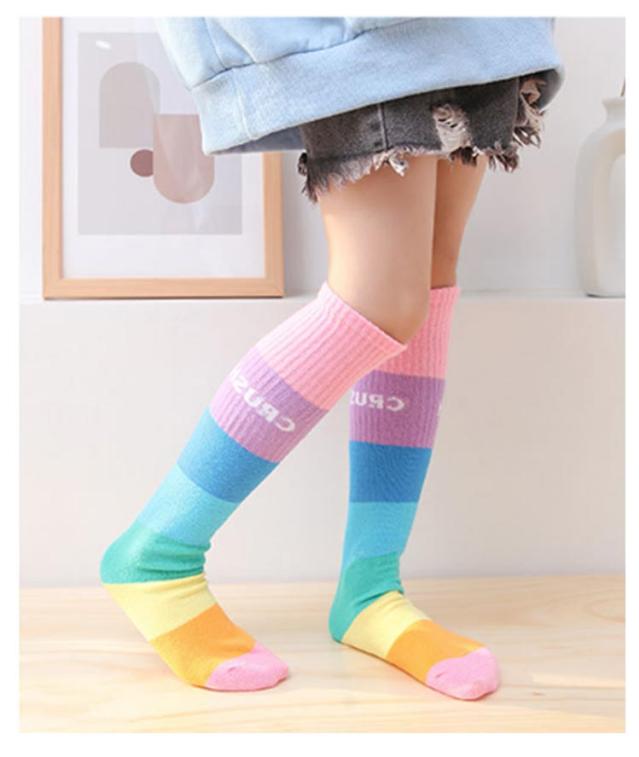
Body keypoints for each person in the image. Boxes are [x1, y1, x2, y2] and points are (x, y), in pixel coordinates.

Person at [100, 16, 564, 699]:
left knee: (426, 285)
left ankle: (370, 586)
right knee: (378, 302)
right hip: (372, 32)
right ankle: (157, 551)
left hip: (480, 31)